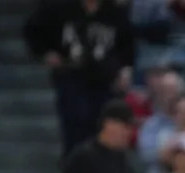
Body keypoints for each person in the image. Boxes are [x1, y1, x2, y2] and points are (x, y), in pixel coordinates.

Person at [24, 0, 134, 155]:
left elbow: (127, 44)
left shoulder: (114, 12)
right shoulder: (59, 8)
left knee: (102, 124)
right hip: (70, 74)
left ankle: (101, 166)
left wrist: (125, 69)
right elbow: (32, 30)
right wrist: (45, 53)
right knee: (75, 121)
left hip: (104, 79)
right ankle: (75, 165)